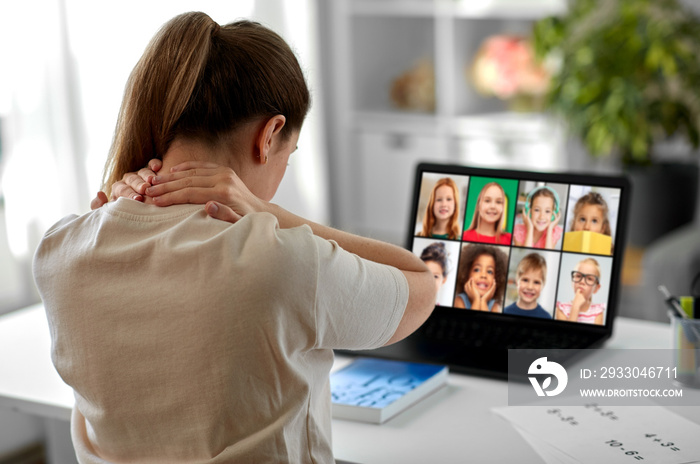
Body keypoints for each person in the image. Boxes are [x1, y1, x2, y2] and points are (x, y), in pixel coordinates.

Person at [33, 13, 436, 463]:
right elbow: (421, 282)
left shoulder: (60, 250)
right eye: (290, 154)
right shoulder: (283, 260)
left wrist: (109, 212)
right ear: (269, 136)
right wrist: (271, 213)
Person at [453, 244, 508, 312]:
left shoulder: (494, 305)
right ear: (466, 274)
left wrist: (483, 302)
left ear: (496, 279)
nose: (483, 275)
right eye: (477, 270)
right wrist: (476, 300)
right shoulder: (459, 300)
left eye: (490, 272)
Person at [555, 258, 605, 325]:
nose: (582, 282)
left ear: (596, 288)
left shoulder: (598, 311)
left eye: (589, 278)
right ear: (572, 281)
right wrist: (575, 307)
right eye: (578, 276)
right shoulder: (562, 308)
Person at [503, 253, 552, 319]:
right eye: (525, 280)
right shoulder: (505, 312)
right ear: (517, 281)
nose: (530, 287)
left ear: (543, 286)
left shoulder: (547, 317)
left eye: (536, 282)